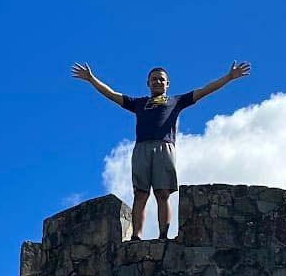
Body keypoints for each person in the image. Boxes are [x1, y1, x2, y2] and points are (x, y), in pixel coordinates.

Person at [71, 60, 251, 238]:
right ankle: (137, 236)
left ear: (167, 83)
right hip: (142, 147)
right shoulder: (138, 103)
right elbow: (112, 94)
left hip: (165, 147)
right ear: (148, 83)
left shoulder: (177, 101)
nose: (157, 82)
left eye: (161, 79)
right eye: (154, 79)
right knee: (140, 194)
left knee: (163, 193)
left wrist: (228, 77)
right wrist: (91, 79)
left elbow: (205, 90)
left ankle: (163, 234)